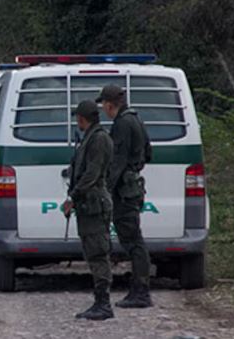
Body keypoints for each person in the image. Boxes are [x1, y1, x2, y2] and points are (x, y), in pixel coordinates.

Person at [97, 84, 153, 308]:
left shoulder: (122, 123)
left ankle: (141, 291)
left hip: (124, 190)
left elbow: (117, 162)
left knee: (133, 241)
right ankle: (139, 289)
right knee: (134, 239)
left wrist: (105, 188)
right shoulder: (136, 119)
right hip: (133, 185)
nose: (103, 110)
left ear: (110, 104)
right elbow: (148, 153)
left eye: (104, 105)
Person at [63, 100, 114, 321]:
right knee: (92, 252)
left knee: (97, 253)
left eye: (78, 118)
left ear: (83, 118)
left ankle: (103, 303)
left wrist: (73, 197)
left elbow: (92, 174)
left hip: (94, 204)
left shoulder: (99, 139)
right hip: (88, 204)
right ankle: (100, 301)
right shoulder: (91, 138)